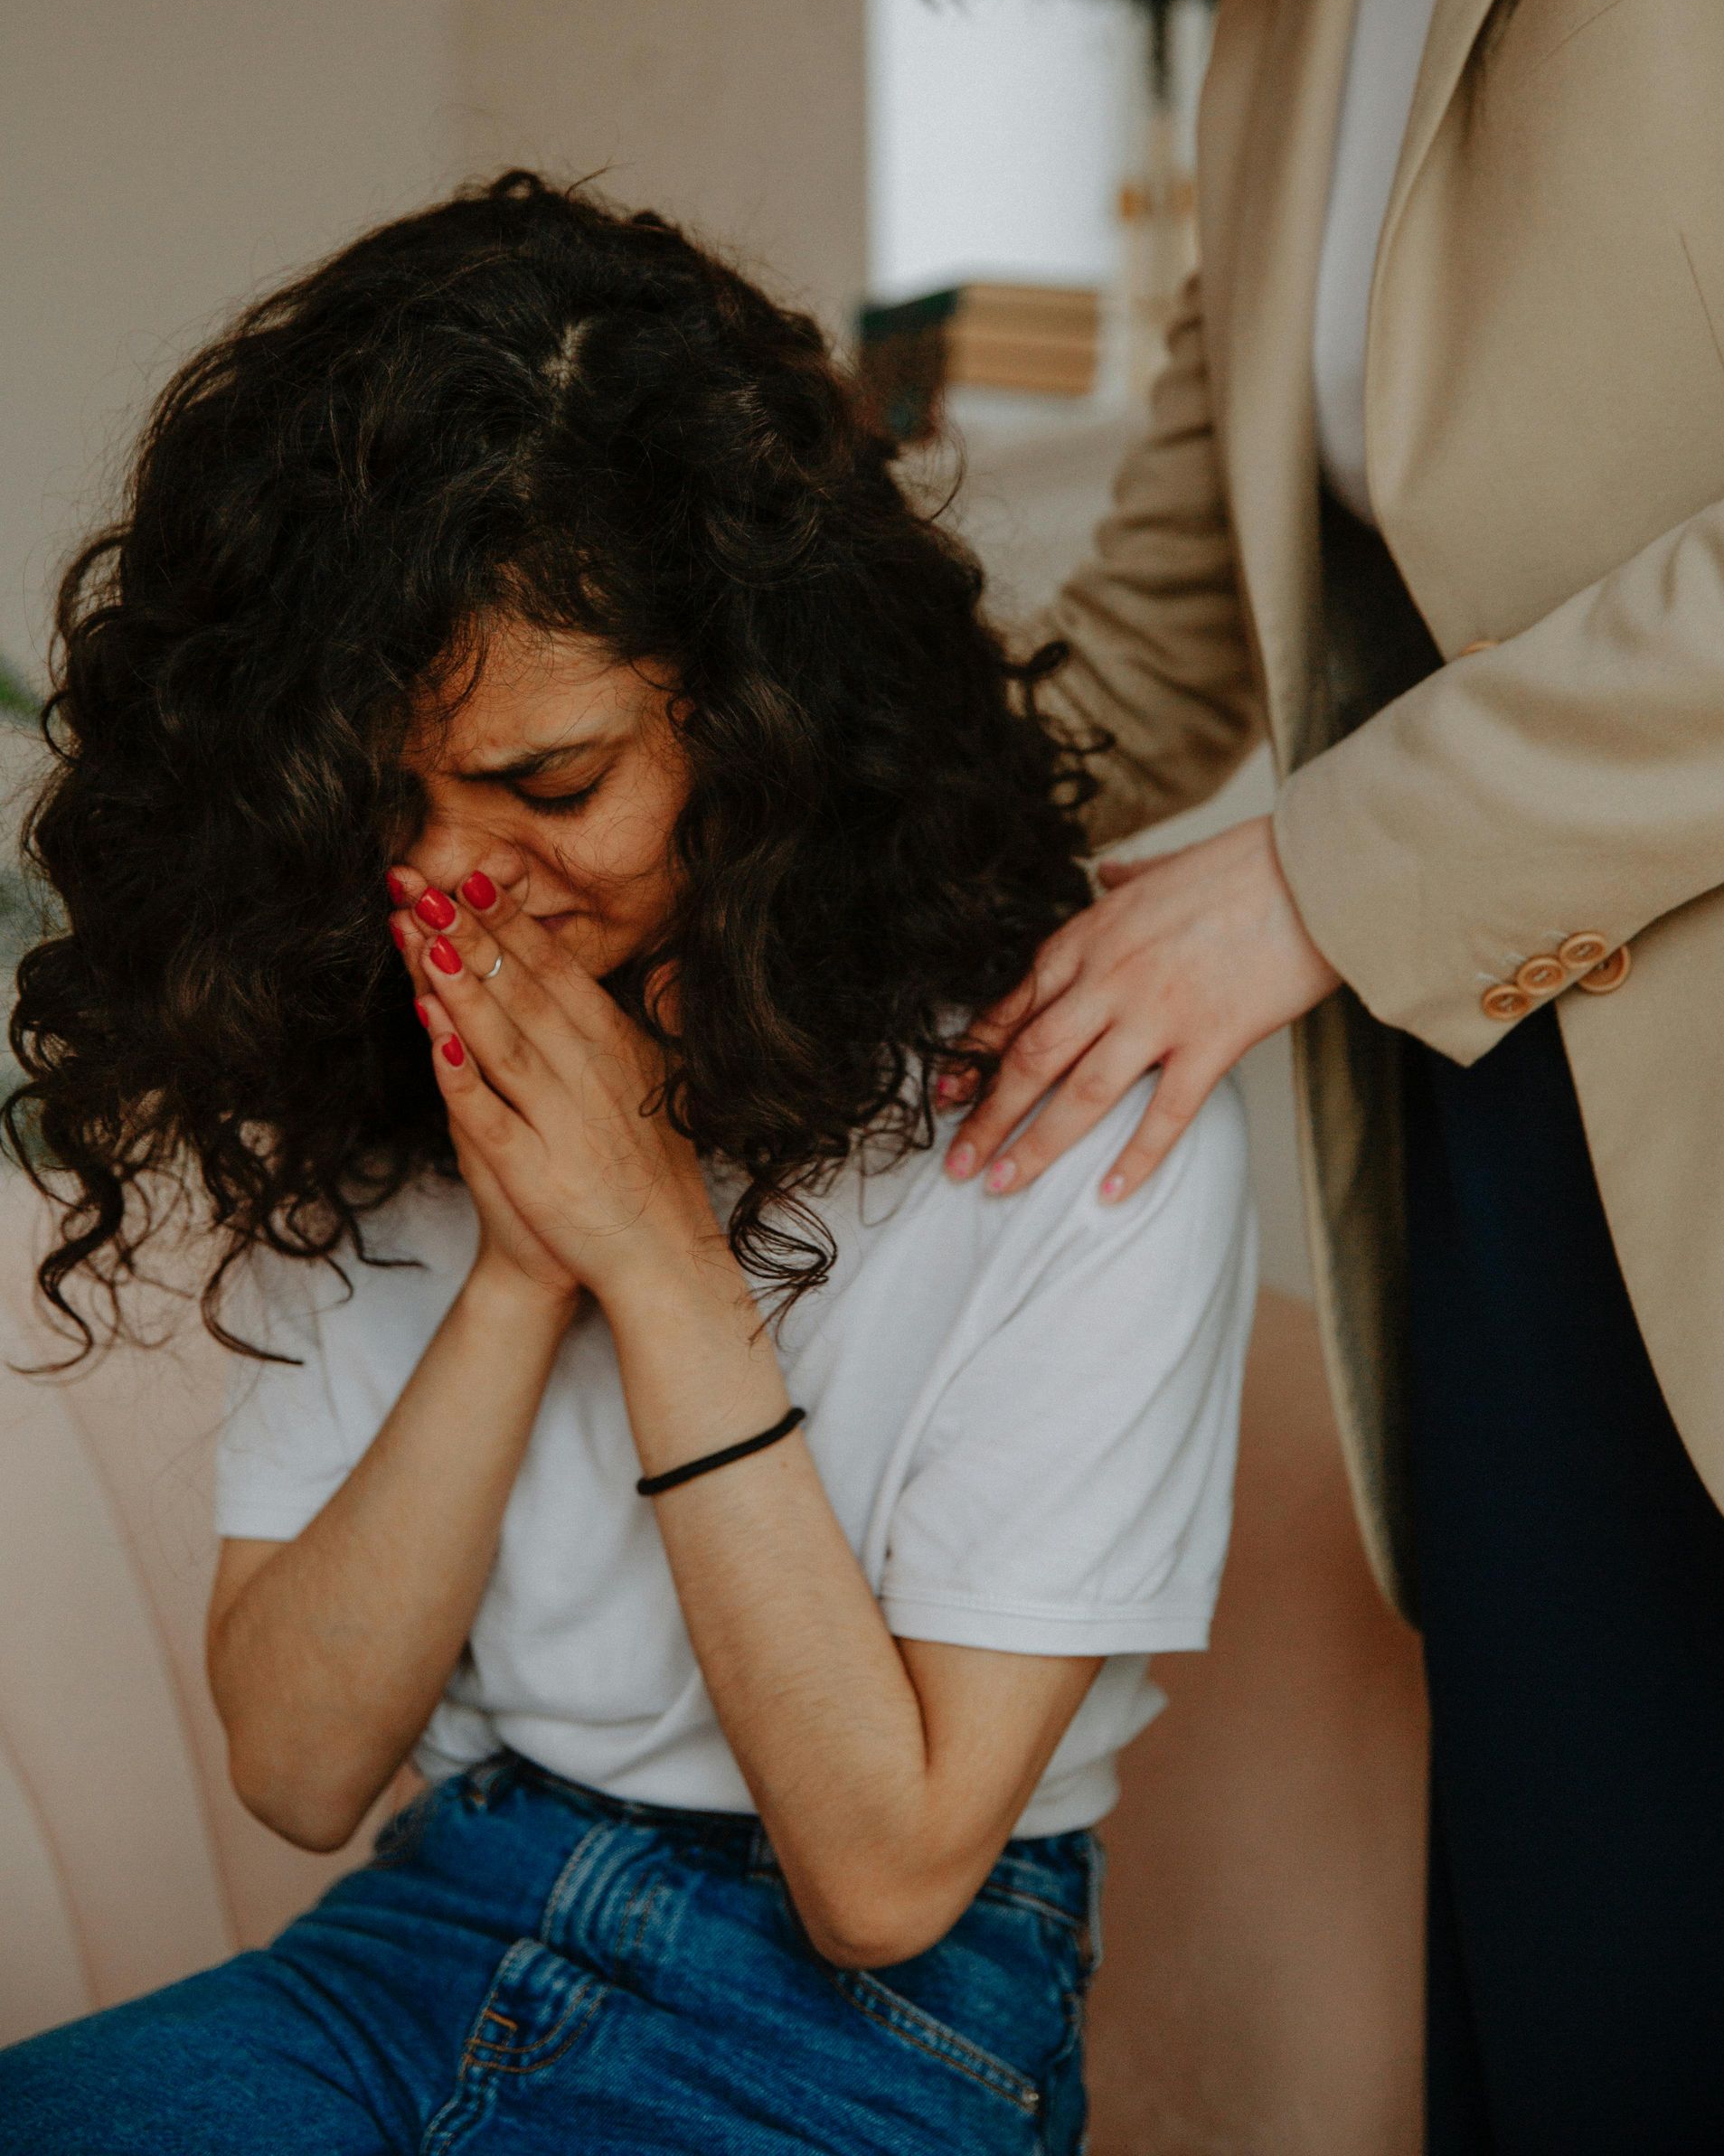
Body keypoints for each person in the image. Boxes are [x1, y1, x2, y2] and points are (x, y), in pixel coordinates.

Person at [0, 174, 1257, 2156]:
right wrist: (520, 1271)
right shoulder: (382, 1068)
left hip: (884, 2018)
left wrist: (660, 1262)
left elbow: (887, 1873)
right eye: (376, 803)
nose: (441, 883)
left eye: (548, 784)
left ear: (766, 726)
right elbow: (305, 1766)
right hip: (433, 1923)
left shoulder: (1065, 1089)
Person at [792, 0, 1724, 2144]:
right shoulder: (1292, 1)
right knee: (1601, 2029)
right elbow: (1147, 664)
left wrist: (1309, 883)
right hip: (1510, 1180)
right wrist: (685, 800)